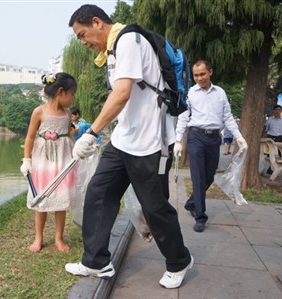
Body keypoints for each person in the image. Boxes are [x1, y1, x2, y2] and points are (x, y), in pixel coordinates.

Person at [65, 4, 193, 289]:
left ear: (97, 22)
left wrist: (92, 133)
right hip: (123, 139)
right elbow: (122, 97)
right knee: (99, 192)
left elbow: (122, 93)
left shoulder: (129, 40)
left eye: (82, 34)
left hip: (150, 142)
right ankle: (96, 262)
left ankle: (179, 261)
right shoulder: (111, 51)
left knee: (155, 208)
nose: (83, 42)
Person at [174, 59, 248, 233]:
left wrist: (239, 137)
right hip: (196, 137)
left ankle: (192, 202)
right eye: (195, 75)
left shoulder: (220, 93)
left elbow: (228, 117)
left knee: (209, 176)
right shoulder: (190, 93)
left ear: (210, 72)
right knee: (198, 177)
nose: (199, 78)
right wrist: (178, 140)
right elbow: (183, 117)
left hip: (214, 139)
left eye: (202, 74)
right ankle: (200, 216)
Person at [20, 72, 77, 253]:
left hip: (62, 161)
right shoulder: (39, 111)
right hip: (43, 162)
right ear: (61, 92)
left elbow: (68, 135)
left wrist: (80, 147)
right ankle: (39, 237)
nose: (73, 98)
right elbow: (30, 137)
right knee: (42, 200)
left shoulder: (68, 114)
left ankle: (59, 238)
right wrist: (26, 159)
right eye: (72, 94)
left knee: (61, 200)